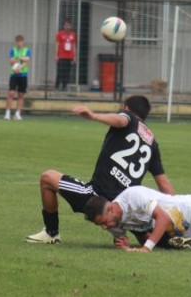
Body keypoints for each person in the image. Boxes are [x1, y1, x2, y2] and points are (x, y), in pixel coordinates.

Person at [25, 95, 174, 246]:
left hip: (98, 198)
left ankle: (51, 233)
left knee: (47, 178)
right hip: (128, 207)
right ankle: (160, 237)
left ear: (126, 108)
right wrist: (176, 211)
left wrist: (93, 116)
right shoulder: (152, 143)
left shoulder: (128, 117)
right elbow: (164, 185)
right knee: (150, 236)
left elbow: (121, 120)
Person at [5, 35, 30, 120]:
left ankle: (17, 113)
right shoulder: (13, 50)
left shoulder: (27, 50)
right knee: (11, 93)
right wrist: (19, 60)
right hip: (14, 75)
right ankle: (7, 113)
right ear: (16, 42)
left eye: (20, 41)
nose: (19, 43)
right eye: (17, 41)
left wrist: (19, 66)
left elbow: (27, 60)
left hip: (23, 75)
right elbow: (11, 61)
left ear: (23, 42)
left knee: (21, 94)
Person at [54, 20, 76, 91]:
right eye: (65, 25)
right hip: (61, 56)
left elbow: (74, 45)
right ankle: (57, 86)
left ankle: (64, 86)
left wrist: (74, 57)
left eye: (68, 25)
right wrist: (56, 55)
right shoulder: (60, 34)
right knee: (60, 71)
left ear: (70, 26)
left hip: (69, 56)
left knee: (67, 72)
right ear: (63, 26)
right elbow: (57, 45)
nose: (67, 27)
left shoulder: (73, 34)